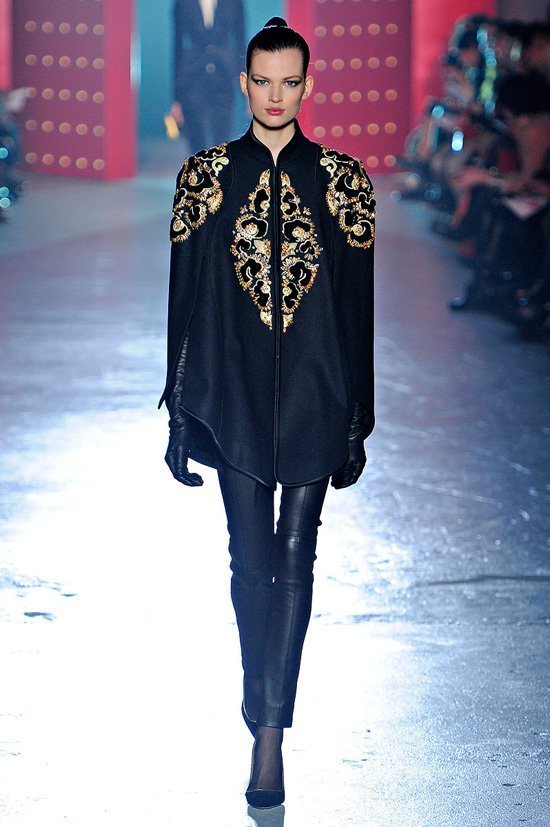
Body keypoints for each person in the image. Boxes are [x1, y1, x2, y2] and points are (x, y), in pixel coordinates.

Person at [159, 17, 375, 809]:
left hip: (319, 392)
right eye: (264, 81)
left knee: (296, 558)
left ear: (307, 86)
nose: (277, 95)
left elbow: (358, 306)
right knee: (250, 562)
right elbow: (182, 302)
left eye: (290, 82)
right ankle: (261, 697)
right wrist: (179, 413)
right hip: (233, 393)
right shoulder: (205, 177)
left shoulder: (344, 180)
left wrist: (359, 414)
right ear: (244, 84)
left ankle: (270, 736)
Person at [170, 0, 246, 153]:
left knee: (222, 140)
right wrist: (176, 98)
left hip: (224, 75)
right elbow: (177, 47)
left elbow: (241, 42)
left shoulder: (233, 2)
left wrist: (246, 90)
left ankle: (217, 169)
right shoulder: (183, 3)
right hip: (192, 77)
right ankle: (200, 168)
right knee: (196, 140)